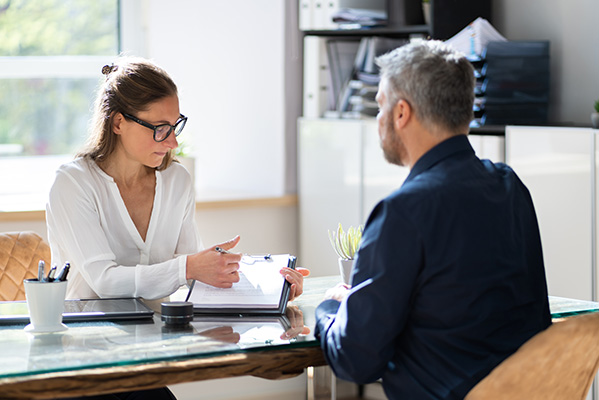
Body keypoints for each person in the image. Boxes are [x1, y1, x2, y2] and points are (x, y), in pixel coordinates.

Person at [46, 56, 308, 400]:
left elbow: (192, 281)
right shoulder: (73, 184)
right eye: (160, 128)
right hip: (84, 359)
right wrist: (189, 267)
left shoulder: (177, 181)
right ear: (119, 123)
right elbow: (106, 281)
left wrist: (273, 290)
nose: (172, 142)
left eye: (175, 126)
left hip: (150, 356)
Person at [313, 40, 551, 400]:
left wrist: (330, 308)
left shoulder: (403, 211)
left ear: (401, 113)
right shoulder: (510, 187)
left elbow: (356, 359)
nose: (377, 120)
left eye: (379, 106)